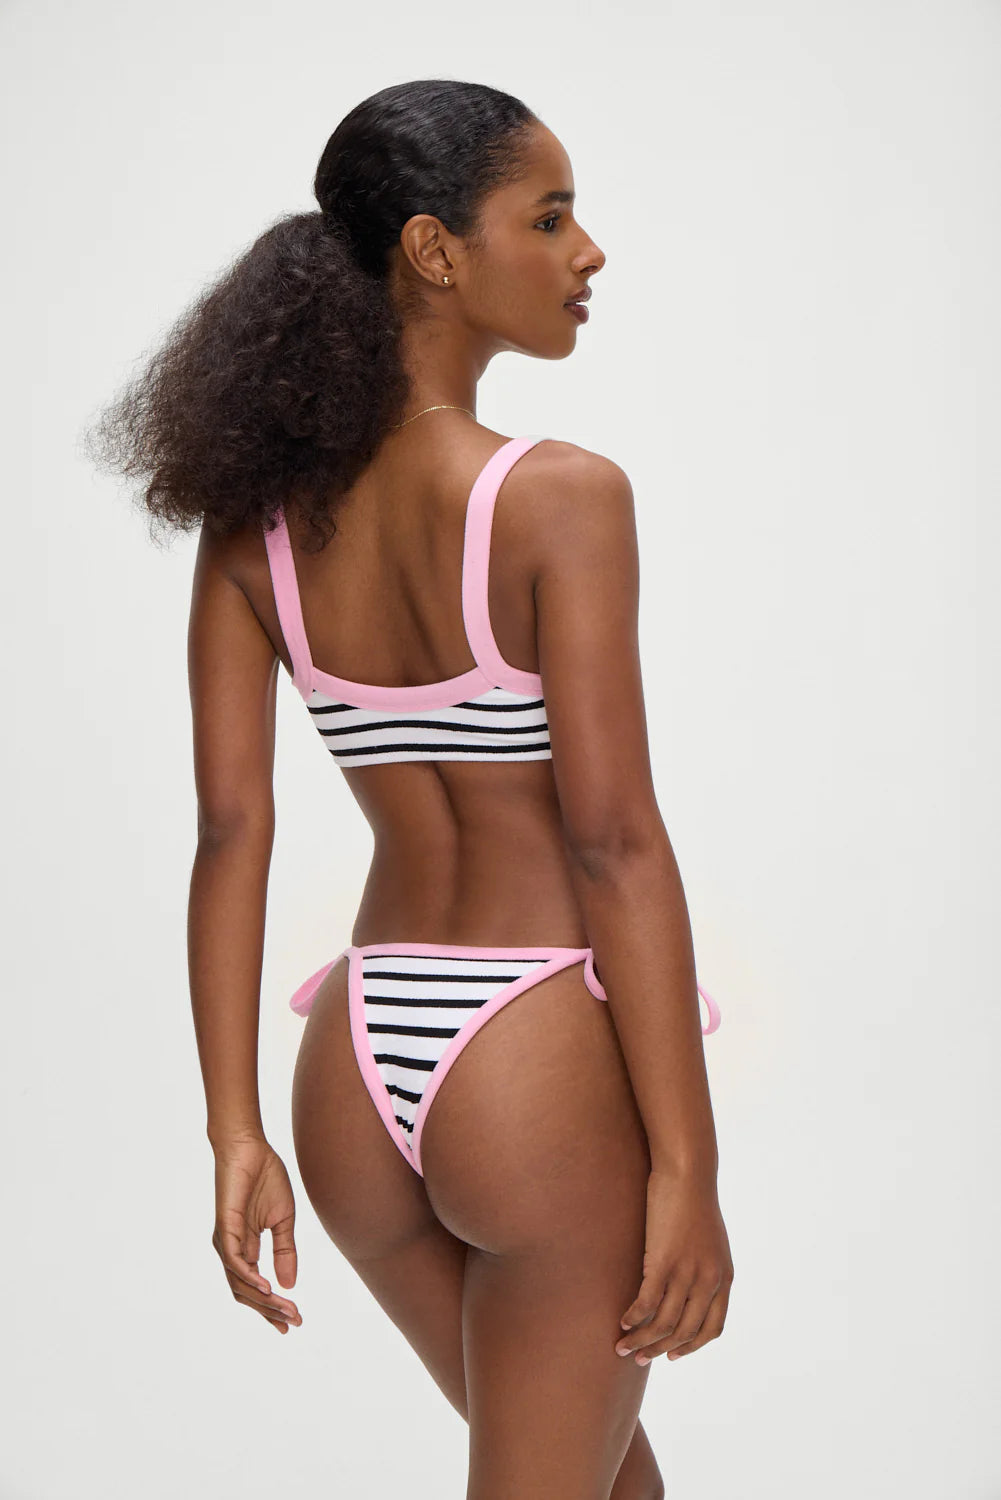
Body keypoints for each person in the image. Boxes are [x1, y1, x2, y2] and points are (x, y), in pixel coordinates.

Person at [87, 78, 732, 1500]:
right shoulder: (556, 496)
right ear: (436, 251)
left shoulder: (256, 532)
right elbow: (615, 845)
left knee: (611, 1487)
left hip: (355, 1060)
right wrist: (687, 1170)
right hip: (530, 1052)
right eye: (548, 218)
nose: (588, 252)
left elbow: (229, 834)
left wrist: (237, 1130)